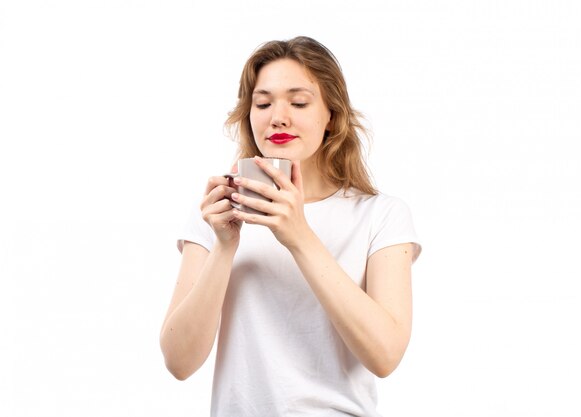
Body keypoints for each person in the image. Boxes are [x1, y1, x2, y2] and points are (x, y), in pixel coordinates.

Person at [160, 36, 421, 416]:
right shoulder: (216, 214)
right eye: (263, 103)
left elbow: (385, 356)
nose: (277, 117)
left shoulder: (380, 215)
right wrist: (224, 245)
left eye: (298, 103)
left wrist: (299, 236)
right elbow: (178, 362)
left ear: (331, 115)